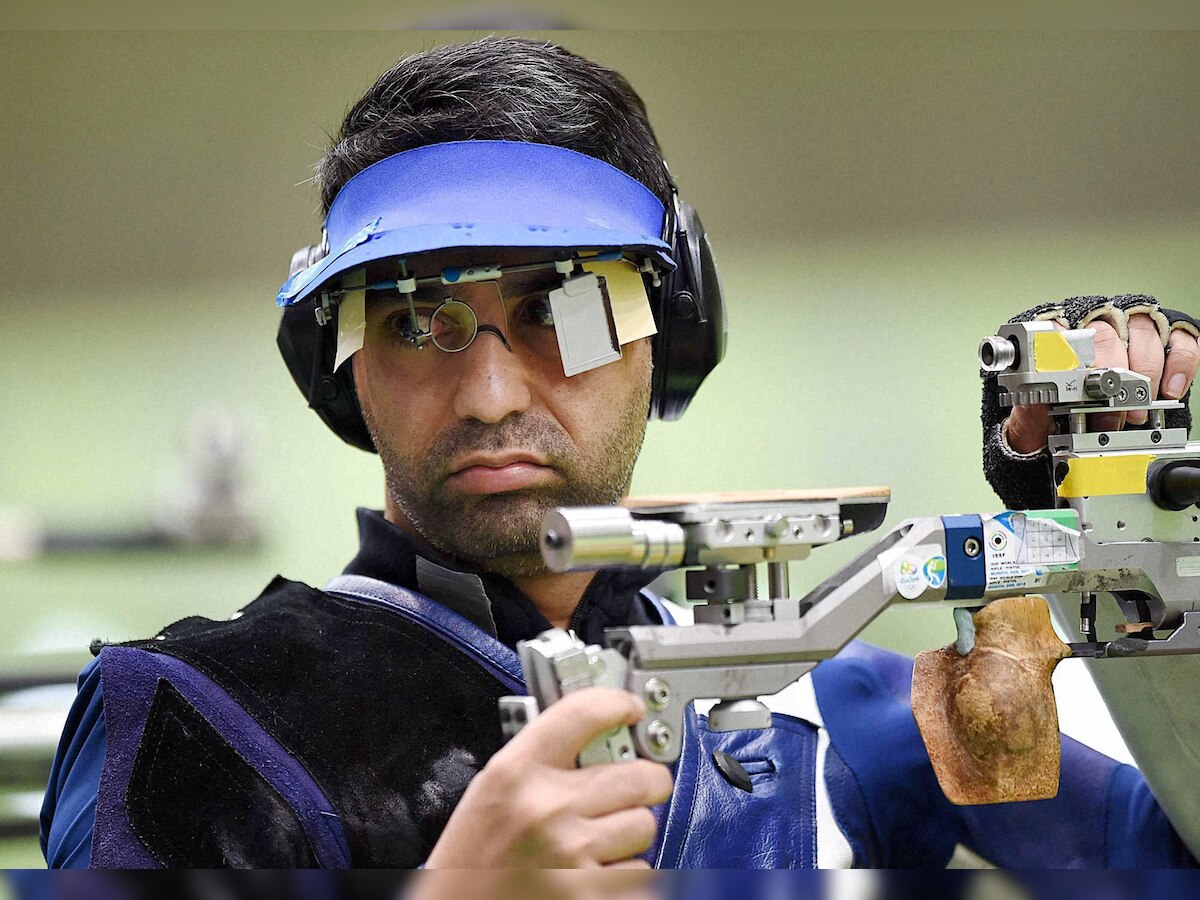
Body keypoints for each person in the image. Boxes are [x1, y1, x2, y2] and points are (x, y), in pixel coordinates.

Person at [39, 37, 1200, 869]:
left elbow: (1160, 861)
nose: (491, 392)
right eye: (413, 323)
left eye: (564, 309)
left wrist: (1107, 522)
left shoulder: (830, 718)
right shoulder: (195, 717)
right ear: (342, 371)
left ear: (671, 335)